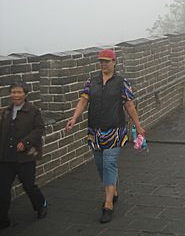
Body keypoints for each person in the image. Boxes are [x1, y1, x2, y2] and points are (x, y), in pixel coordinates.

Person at [65, 49, 145, 223]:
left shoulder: (121, 82)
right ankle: (113, 189)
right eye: (101, 61)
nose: (103, 64)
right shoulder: (92, 81)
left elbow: (129, 105)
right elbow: (84, 100)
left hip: (115, 130)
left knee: (109, 163)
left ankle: (108, 203)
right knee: (100, 165)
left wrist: (138, 126)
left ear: (114, 62)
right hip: (95, 131)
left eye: (107, 61)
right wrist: (74, 118)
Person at [0, 81, 48, 230]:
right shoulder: (6, 112)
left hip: (25, 157)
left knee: (28, 185)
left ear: (25, 94)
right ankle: (3, 219)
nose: (16, 95)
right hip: (6, 157)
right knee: (2, 188)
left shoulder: (33, 111)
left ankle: (41, 205)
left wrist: (25, 142)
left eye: (19, 92)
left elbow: (39, 129)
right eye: (13, 92)